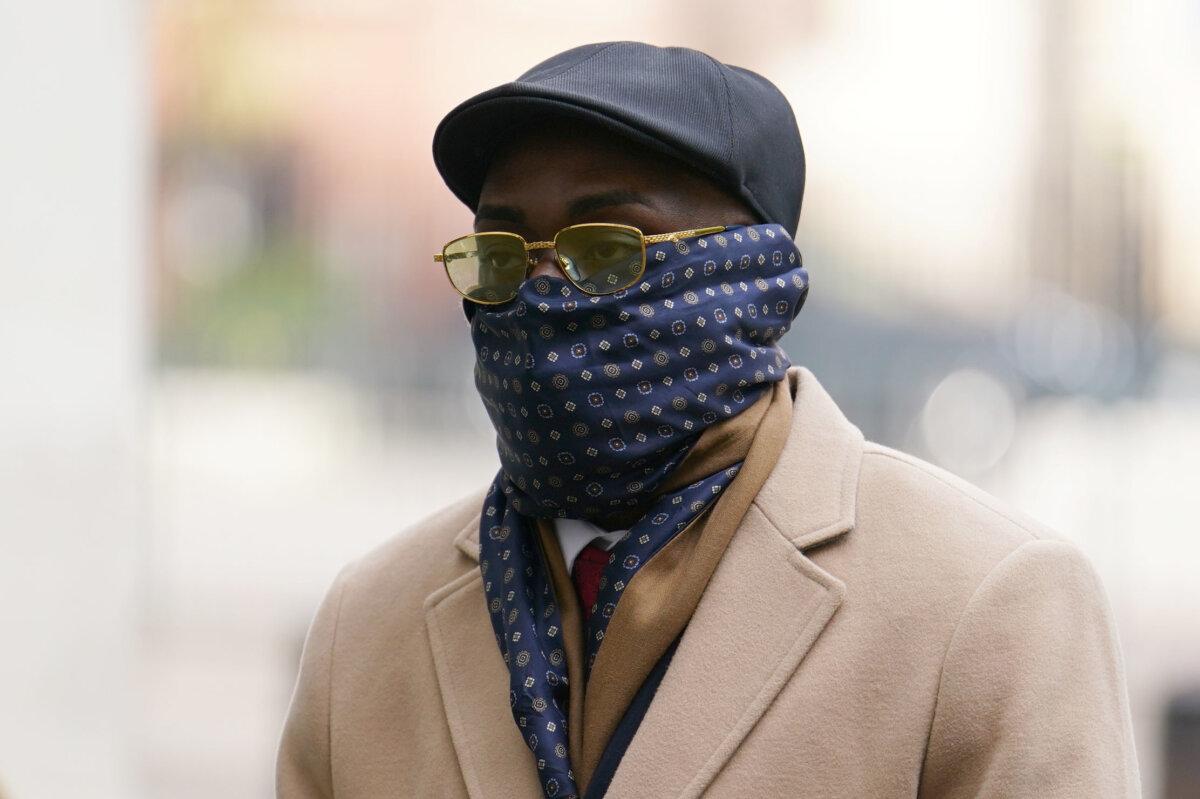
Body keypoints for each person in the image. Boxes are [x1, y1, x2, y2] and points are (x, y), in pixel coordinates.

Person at [276, 41, 1141, 798]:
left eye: (608, 249)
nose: (542, 294)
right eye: (501, 257)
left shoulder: (987, 604)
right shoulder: (368, 625)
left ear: (757, 271)